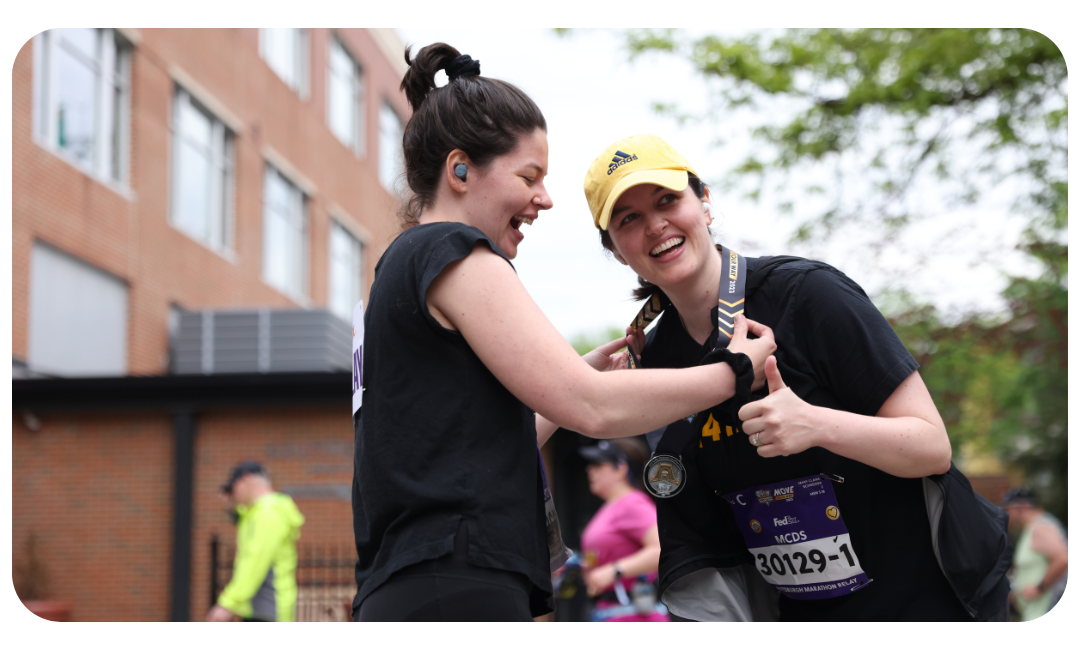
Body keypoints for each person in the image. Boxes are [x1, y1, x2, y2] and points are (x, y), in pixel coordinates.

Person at [351, 46, 777, 622]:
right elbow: (593, 408)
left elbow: (467, 449)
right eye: (529, 177)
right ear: (459, 170)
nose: (544, 199)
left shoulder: (398, 270)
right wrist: (735, 370)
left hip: (414, 586)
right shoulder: (450, 250)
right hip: (456, 587)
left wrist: (574, 378)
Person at [582, 134, 1012, 622]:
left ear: (704, 204)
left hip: (924, 599)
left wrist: (817, 425)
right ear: (616, 250)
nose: (656, 225)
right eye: (629, 219)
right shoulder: (656, 356)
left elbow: (932, 446)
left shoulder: (807, 295)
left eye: (667, 200)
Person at [579, 438, 669, 622]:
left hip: (634, 615)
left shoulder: (632, 503)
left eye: (597, 464)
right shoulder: (610, 507)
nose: (590, 470)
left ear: (620, 469)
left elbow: (662, 549)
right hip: (609, 613)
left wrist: (614, 571)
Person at [207, 462, 305, 622]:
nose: (234, 494)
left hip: (269, 609)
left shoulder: (268, 514)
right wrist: (233, 504)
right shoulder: (259, 513)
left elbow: (255, 561)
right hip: (262, 609)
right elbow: (242, 517)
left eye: (234, 488)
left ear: (245, 480)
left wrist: (228, 603)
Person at [1001, 488, 1068, 621]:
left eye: (1008, 510)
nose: (1007, 516)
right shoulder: (1032, 529)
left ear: (1022, 506)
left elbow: (1063, 559)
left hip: (1045, 607)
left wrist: (1039, 588)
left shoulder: (1040, 528)